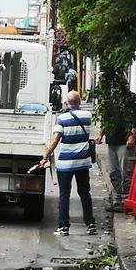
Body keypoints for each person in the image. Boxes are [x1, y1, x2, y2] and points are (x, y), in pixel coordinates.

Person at [38, 89, 95, 236]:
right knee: (85, 192)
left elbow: (55, 140)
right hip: (82, 162)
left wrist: (46, 156)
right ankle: (90, 224)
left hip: (66, 164)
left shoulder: (62, 119)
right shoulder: (87, 116)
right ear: (80, 102)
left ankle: (64, 226)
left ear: (66, 102)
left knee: (64, 194)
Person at [95, 71, 136, 210]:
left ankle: (127, 200)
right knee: (114, 172)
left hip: (125, 141)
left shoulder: (133, 99)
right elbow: (106, 119)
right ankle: (118, 199)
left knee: (126, 171)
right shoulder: (110, 100)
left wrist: (132, 136)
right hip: (113, 140)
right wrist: (101, 134)